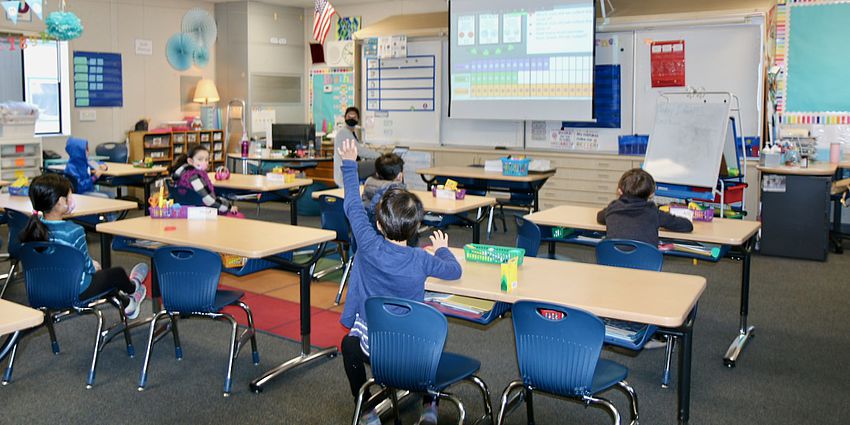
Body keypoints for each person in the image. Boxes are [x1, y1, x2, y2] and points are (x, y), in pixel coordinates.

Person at [338, 140, 463, 425]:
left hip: (374, 344)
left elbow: (353, 206)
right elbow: (453, 271)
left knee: (348, 346)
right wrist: (442, 248)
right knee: (433, 340)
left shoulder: (367, 244)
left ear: (379, 224)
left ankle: (366, 409)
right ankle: (429, 404)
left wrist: (349, 162)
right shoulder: (422, 260)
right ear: (417, 227)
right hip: (413, 347)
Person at [19, 174, 148, 319]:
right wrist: (94, 266)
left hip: (41, 291)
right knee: (115, 274)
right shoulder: (74, 231)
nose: (71, 199)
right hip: (74, 291)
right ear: (61, 201)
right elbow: (88, 269)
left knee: (104, 280)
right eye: (69, 196)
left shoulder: (31, 229)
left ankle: (127, 302)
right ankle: (133, 288)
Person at [596, 168, 694, 246]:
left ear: (619, 191)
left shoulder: (613, 208)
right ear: (651, 194)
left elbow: (600, 217)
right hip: (645, 263)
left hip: (613, 260)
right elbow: (687, 226)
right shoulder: (653, 212)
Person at [169, 144, 240, 216]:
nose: (205, 162)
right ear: (190, 161)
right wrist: (228, 207)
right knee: (238, 216)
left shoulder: (183, 173)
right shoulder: (195, 176)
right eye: (200, 159)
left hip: (186, 211)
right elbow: (209, 200)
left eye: (206, 160)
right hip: (201, 213)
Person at [333, 106, 380, 187]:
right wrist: (380, 155)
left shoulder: (351, 132)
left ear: (358, 119)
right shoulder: (343, 133)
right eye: (349, 116)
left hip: (349, 167)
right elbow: (360, 151)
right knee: (378, 164)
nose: (351, 118)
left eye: (354, 117)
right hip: (345, 171)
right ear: (345, 118)